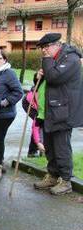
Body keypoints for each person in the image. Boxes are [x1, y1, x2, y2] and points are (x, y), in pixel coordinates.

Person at [34, 33, 83, 195]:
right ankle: (53, 176)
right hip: (50, 110)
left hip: (63, 111)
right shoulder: (56, 58)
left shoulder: (71, 59)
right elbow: (47, 81)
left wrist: (47, 61)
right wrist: (38, 77)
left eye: (46, 47)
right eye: (42, 48)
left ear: (57, 45)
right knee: (50, 147)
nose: (44, 51)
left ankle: (66, 180)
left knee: (61, 147)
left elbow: (54, 77)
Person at [0, 50, 23, 182]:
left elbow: (18, 92)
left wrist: (4, 103)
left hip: (6, 113)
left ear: (5, 60)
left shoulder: (9, 73)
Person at [26, 74, 46, 158]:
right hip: (29, 103)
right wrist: (38, 142)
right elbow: (35, 127)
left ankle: (43, 150)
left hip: (44, 108)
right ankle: (33, 151)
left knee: (44, 128)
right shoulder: (38, 93)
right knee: (39, 126)